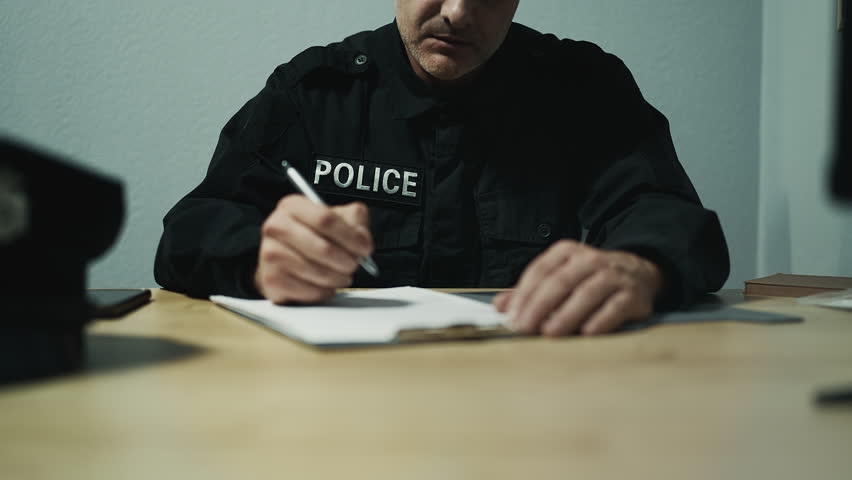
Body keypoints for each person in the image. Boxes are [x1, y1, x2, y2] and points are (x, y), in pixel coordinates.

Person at [154, 0, 730, 336]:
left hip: (540, 399)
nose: (456, 12)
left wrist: (640, 267)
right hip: (337, 402)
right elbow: (190, 230)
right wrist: (257, 257)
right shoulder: (314, 93)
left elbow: (669, 217)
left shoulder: (584, 90)